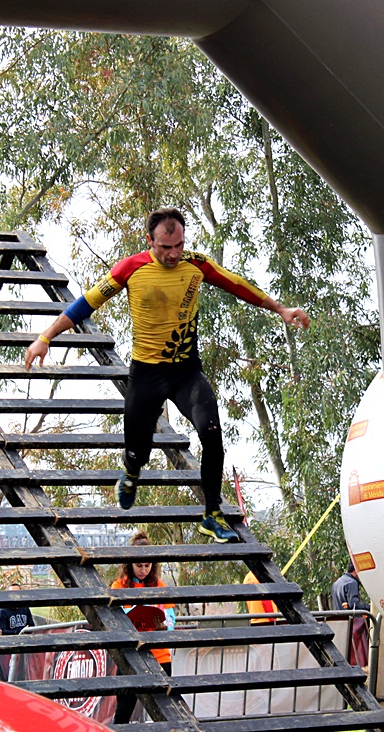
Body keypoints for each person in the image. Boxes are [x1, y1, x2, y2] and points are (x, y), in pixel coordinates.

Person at [25, 207, 310, 543]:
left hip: (186, 372)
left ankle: (212, 513)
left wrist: (280, 309)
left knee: (212, 432)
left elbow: (238, 285)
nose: (174, 254)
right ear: (150, 241)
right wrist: (46, 336)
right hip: (146, 375)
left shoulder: (196, 264)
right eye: (165, 247)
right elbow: (85, 304)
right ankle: (131, 471)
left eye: (179, 245)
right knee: (137, 450)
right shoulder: (131, 268)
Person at [109, 531, 175, 724]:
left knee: (164, 713)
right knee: (123, 712)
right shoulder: (119, 586)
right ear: (130, 564)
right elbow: (115, 619)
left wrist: (163, 626)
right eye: (139, 565)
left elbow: (170, 620)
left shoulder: (161, 587)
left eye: (147, 566)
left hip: (159, 655)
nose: (143, 570)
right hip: (130, 656)